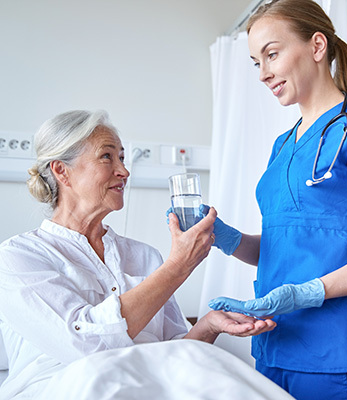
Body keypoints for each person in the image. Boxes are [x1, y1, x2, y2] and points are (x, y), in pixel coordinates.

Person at [0, 110, 276, 399]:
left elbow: (178, 350)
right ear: (61, 170)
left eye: (122, 157)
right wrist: (178, 266)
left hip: (150, 383)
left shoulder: (144, 256)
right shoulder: (19, 258)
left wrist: (208, 325)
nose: (124, 171)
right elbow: (84, 344)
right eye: (107, 157)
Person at [202, 0, 347, 399]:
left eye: (271, 54)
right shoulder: (283, 145)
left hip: (338, 353)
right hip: (275, 347)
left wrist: (306, 292)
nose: (263, 73)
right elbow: (285, 246)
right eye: (256, 62)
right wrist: (224, 237)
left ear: (316, 46)